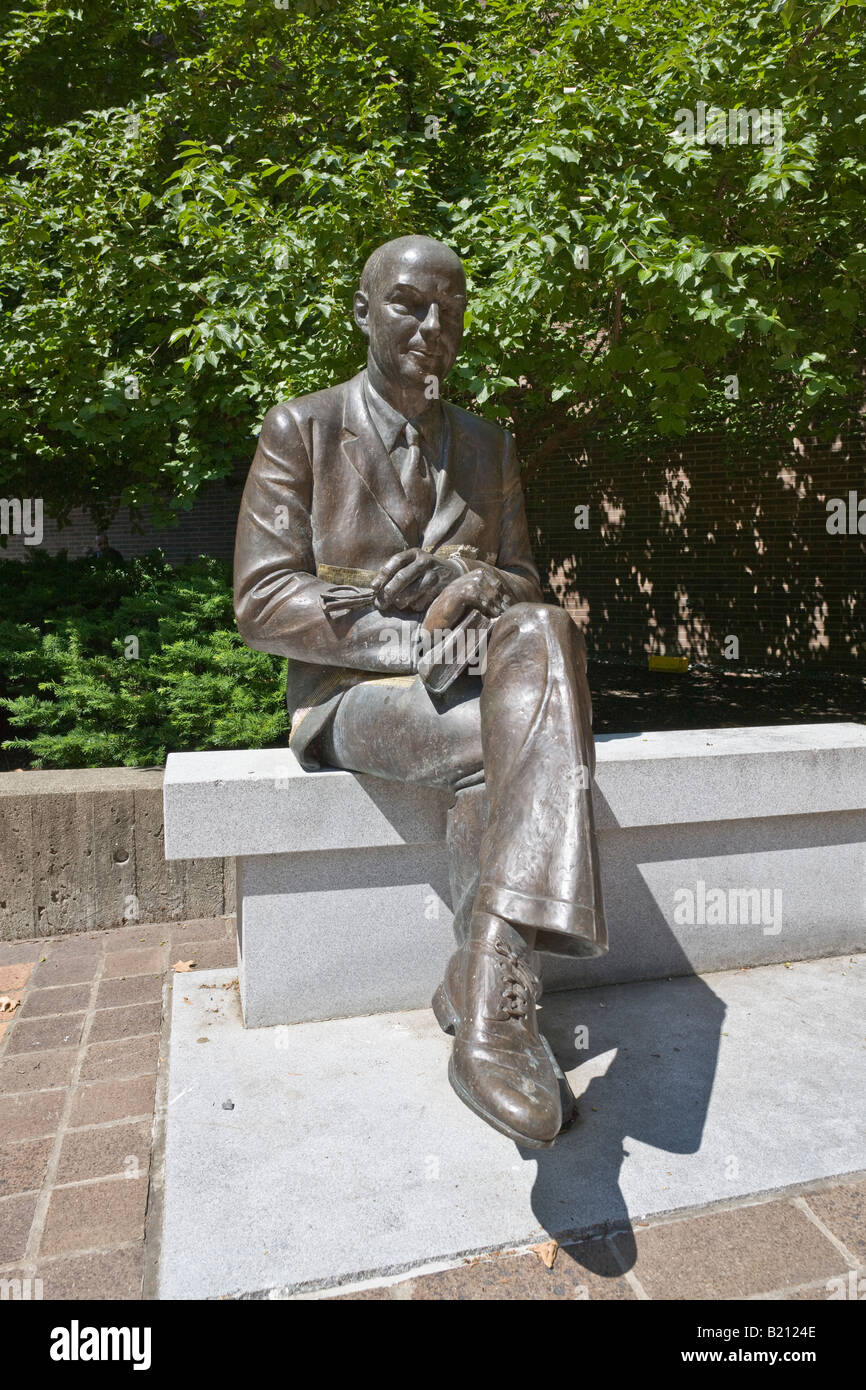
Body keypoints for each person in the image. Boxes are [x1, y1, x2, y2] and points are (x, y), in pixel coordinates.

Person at [234, 235, 606, 1147]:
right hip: (348, 695)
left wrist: (478, 585)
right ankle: (497, 998)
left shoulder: (489, 444)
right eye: (408, 303)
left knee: (547, 633)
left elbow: (525, 580)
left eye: (450, 307)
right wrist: (422, 640)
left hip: (480, 690)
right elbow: (264, 600)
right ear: (364, 312)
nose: (431, 325)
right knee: (524, 721)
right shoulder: (303, 428)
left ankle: (485, 991)